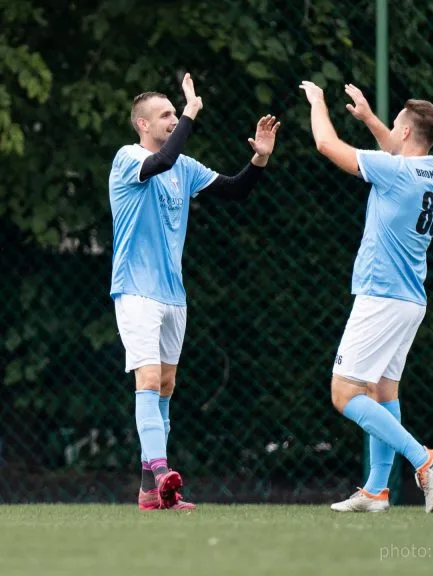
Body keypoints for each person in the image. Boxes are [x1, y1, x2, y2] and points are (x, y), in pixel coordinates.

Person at [109, 73, 280, 510]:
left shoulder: (184, 167)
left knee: (166, 386)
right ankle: (164, 471)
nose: (172, 120)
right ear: (143, 124)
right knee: (147, 381)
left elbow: (234, 190)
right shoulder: (129, 158)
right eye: (163, 115)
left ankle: (150, 492)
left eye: (174, 114)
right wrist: (190, 110)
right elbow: (161, 161)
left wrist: (259, 160)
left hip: (173, 296)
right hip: (136, 291)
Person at [298, 80, 433, 513]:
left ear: (405, 133)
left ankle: (424, 460)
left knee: (345, 393)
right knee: (382, 390)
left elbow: (326, 144)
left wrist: (319, 102)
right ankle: (376, 491)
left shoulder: (396, 172)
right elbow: (398, 148)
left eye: (396, 127)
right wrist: (367, 117)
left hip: (381, 295)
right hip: (410, 300)